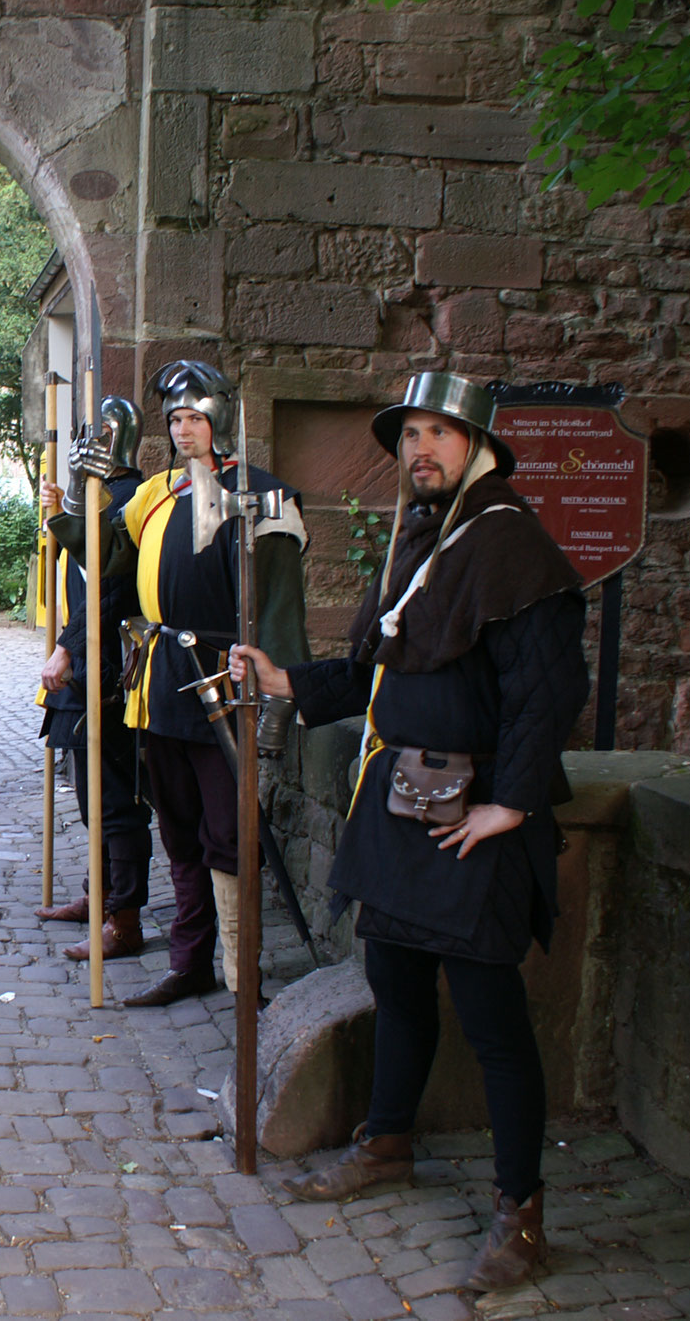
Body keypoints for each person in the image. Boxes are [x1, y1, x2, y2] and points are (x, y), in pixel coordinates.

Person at [230, 372, 587, 1293]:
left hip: (470, 815)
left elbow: (547, 691)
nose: (420, 450)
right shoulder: (421, 544)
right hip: (398, 802)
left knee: (492, 1018)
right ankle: (388, 1141)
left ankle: (522, 1214)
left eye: (440, 433)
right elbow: (370, 675)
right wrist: (282, 681)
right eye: (411, 436)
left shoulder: (512, 548)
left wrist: (510, 803)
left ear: (480, 446)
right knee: (392, 978)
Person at [111, 361, 309, 1007]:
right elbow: (106, 560)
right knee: (181, 830)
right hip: (165, 674)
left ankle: (238, 973)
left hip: (226, 681)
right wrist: (86, 498)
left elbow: (278, 609)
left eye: (195, 416)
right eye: (175, 419)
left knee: (228, 834)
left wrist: (276, 701)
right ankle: (190, 963)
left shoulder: (263, 499)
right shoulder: (163, 494)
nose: (183, 428)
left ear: (220, 419)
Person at [35, 398, 156, 963]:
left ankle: (125, 920)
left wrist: (65, 645)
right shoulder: (92, 501)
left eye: (100, 435)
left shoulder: (133, 500)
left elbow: (111, 592)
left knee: (116, 799)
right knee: (91, 796)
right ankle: (100, 897)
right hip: (88, 668)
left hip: (116, 668)